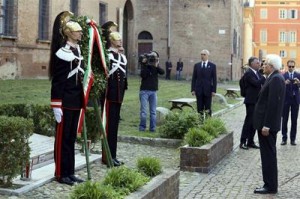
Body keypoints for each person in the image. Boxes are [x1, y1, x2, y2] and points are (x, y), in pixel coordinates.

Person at [49, 11, 85, 186]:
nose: (80, 33)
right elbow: (58, 81)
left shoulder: (77, 50)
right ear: (69, 33)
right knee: (62, 139)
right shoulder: (62, 53)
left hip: (76, 101)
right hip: (64, 102)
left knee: (71, 138)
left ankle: (70, 171)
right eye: (77, 31)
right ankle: (60, 173)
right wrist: (56, 105)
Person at [253, 54, 285, 194]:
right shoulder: (273, 77)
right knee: (267, 155)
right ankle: (269, 184)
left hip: (268, 126)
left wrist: (266, 125)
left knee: (268, 156)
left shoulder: (276, 79)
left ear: (271, 66)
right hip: (266, 125)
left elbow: (273, 105)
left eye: (265, 64)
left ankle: (270, 186)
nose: (263, 66)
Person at [101, 28, 128, 167]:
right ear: (111, 41)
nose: (120, 41)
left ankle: (113, 155)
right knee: (108, 127)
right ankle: (107, 156)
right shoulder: (107, 55)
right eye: (118, 39)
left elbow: (124, 78)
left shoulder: (122, 57)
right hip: (109, 96)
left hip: (118, 97)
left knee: (114, 128)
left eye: (120, 39)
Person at [239, 57, 266, 150]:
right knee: (249, 121)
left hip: (257, 100)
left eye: (259, 63)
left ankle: (250, 141)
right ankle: (243, 141)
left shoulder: (257, 73)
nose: (259, 64)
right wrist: (264, 77)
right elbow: (256, 83)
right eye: (257, 63)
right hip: (251, 101)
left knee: (254, 122)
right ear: (251, 64)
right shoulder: (248, 73)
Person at [139, 51, 165, 132]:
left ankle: (152, 128)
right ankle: (142, 128)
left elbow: (162, 72)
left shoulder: (156, 67)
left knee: (153, 112)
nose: (152, 60)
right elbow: (143, 75)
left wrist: (156, 65)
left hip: (153, 91)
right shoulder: (145, 66)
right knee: (144, 111)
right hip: (144, 91)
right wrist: (145, 64)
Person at [191, 49, 217, 117]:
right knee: (199, 109)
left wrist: (214, 90)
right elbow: (194, 78)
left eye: (204, 54)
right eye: (201, 54)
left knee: (208, 108)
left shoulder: (212, 66)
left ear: (208, 55)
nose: (202, 56)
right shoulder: (197, 65)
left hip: (208, 90)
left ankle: (208, 124)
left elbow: (214, 79)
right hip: (199, 90)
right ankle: (200, 123)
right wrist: (193, 89)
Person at [281, 60, 300, 146]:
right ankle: (284, 138)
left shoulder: (298, 75)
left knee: (294, 120)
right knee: (284, 120)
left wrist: (299, 83)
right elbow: (279, 88)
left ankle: (293, 139)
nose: (291, 68)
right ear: (287, 66)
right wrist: (284, 83)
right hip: (286, 100)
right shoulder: (283, 75)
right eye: (290, 66)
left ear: (294, 66)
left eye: (292, 66)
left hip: (295, 100)